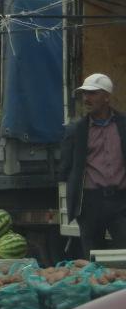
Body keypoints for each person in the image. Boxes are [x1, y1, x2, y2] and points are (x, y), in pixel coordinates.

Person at [60, 73, 126, 259]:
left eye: (92, 94)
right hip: (90, 204)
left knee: (124, 254)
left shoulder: (123, 125)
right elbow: (65, 168)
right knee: (94, 258)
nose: (86, 99)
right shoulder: (76, 130)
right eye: (84, 94)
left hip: (121, 202)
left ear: (106, 97)